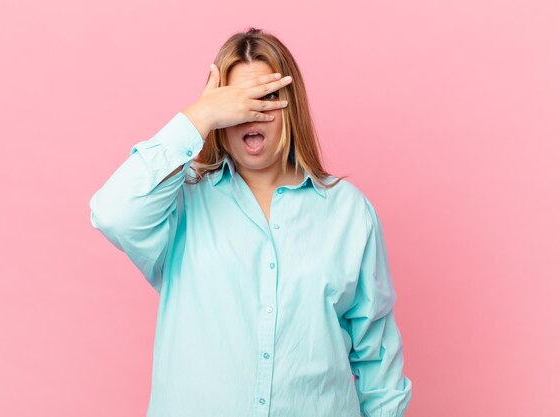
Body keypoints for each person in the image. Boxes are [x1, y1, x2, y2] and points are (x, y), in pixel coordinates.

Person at [89, 27, 412, 417]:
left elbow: (377, 359)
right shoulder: (180, 202)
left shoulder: (348, 212)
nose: (250, 113)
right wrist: (200, 115)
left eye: (266, 97)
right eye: (236, 101)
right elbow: (112, 212)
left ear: (291, 106)